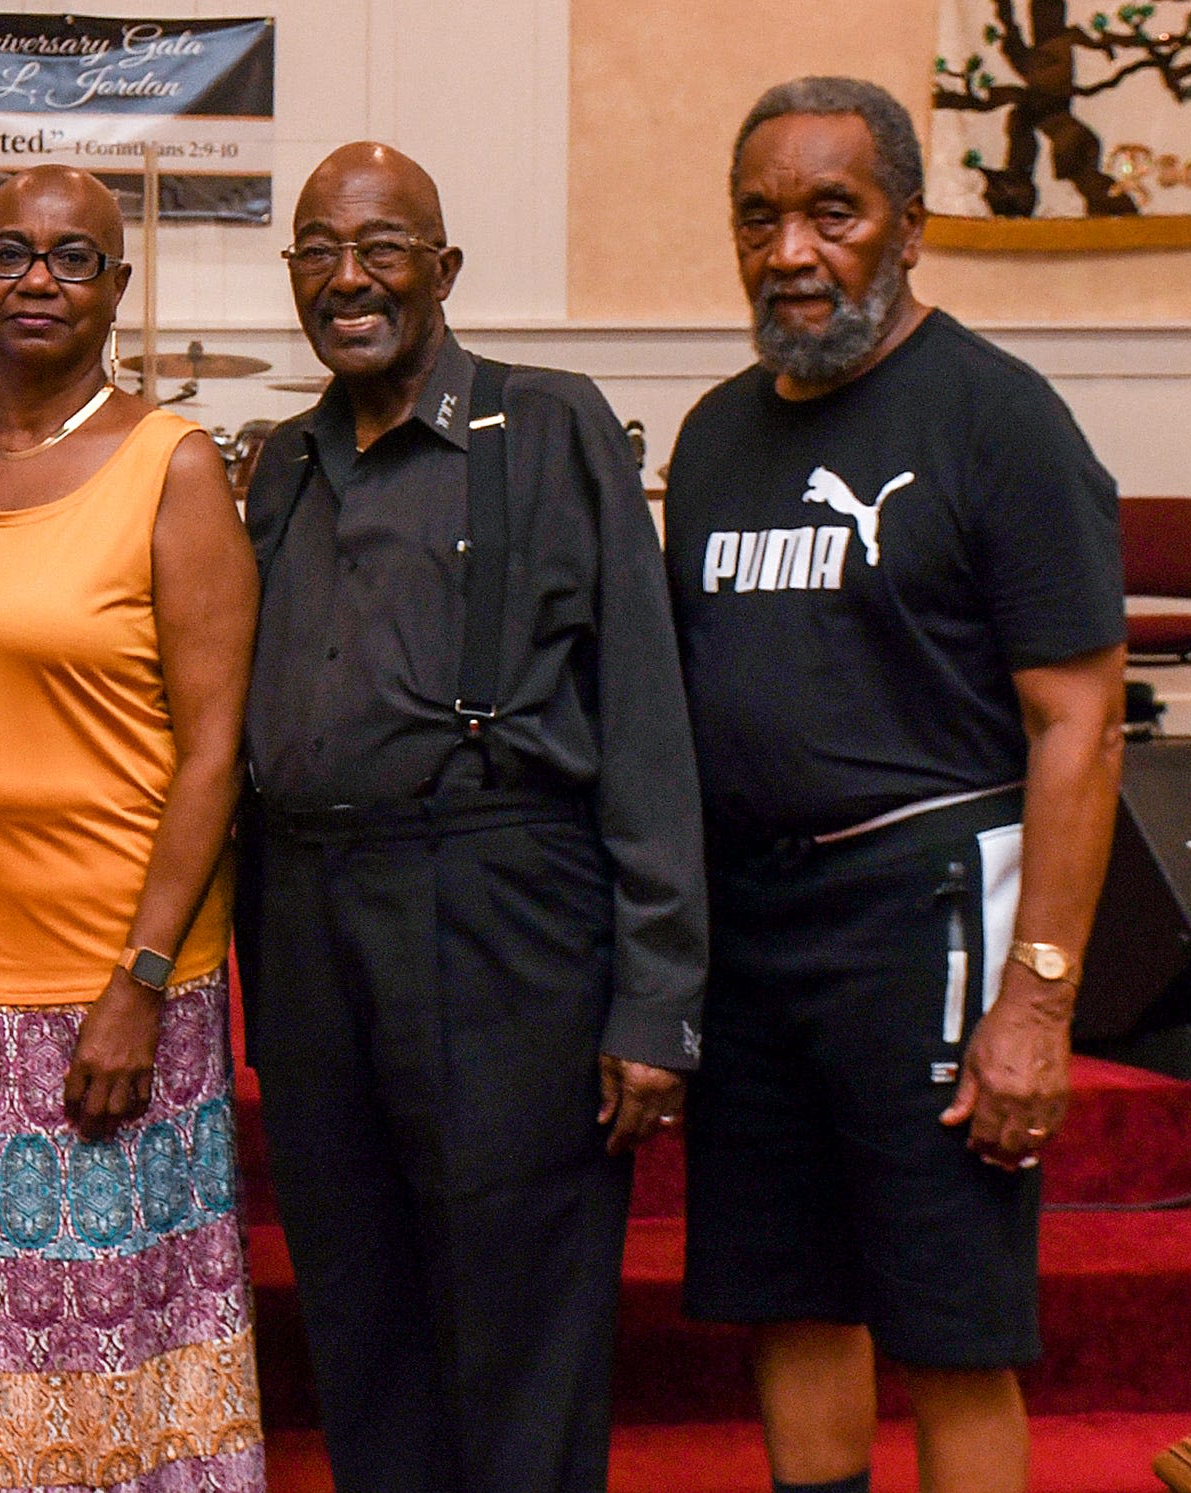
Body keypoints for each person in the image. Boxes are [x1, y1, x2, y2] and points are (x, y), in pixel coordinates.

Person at [667, 78, 1125, 1493]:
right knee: (791, 1297)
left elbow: (1082, 723)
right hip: (755, 930)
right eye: (761, 216)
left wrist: (1037, 1001)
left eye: (832, 212)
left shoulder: (1001, 418)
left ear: (910, 227)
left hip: (928, 917)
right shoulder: (720, 434)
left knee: (946, 1324)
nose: (792, 248)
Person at [238, 142, 707, 1493]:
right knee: (360, 1311)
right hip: (317, 922)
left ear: (442, 270)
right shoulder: (286, 465)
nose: (347, 278)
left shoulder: (550, 428)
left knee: (520, 1325)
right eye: (317, 251)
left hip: (501, 908)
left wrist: (657, 996)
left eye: (380, 248)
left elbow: (645, 712)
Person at [0, 166, 264, 1491]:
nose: (37, 280)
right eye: (11, 255)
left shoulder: (173, 466)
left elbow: (215, 752)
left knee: (101, 1360)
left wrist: (138, 983)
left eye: (73, 259)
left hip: (105, 984)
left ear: (117, 291)